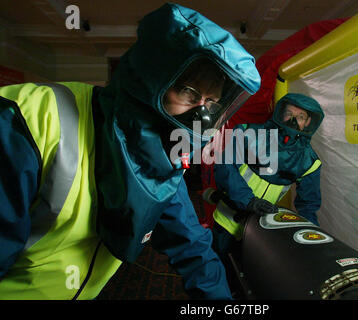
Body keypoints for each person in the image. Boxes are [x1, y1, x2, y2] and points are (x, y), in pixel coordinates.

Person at [0, 3, 260, 300]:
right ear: (153, 77)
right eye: (189, 92)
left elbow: (193, 246)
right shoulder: (29, 124)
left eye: (212, 104)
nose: (202, 117)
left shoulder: (159, 160)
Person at [204, 93, 324, 259]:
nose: (293, 121)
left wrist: (309, 237)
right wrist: (248, 201)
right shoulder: (248, 133)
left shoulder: (309, 162)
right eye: (289, 114)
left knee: (244, 277)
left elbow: (308, 204)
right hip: (227, 220)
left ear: (309, 122)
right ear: (281, 113)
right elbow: (225, 166)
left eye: (300, 116)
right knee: (215, 264)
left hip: (259, 228)